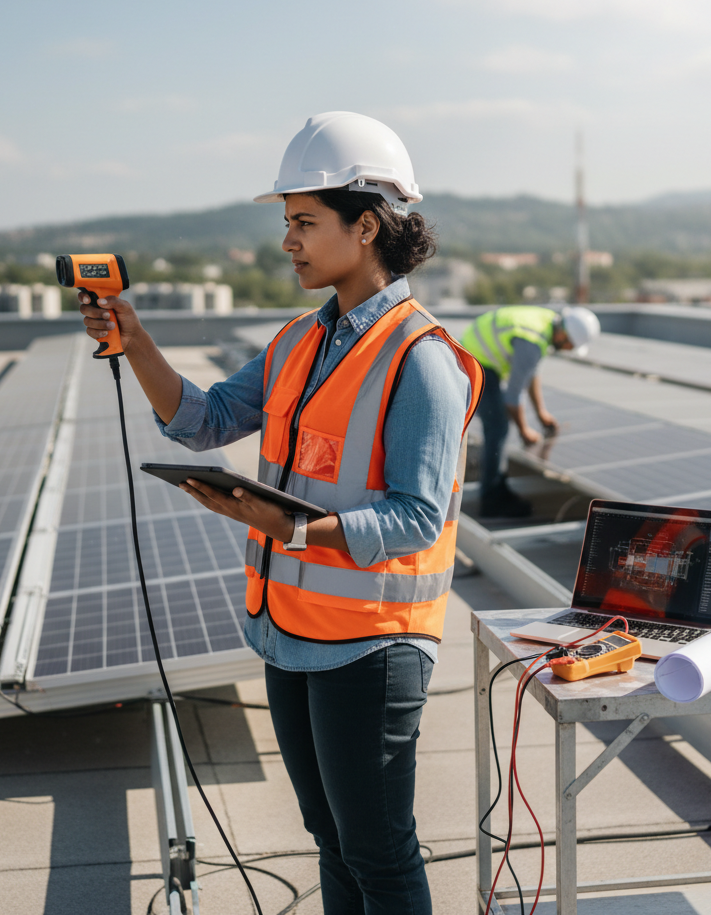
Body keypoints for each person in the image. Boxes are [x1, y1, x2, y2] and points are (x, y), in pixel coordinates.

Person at [78, 111, 482, 914]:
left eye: (304, 222)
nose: (288, 241)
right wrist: (136, 341)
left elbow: (414, 519)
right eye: (288, 223)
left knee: (378, 849)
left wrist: (291, 527)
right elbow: (205, 419)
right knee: (330, 836)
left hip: (371, 645)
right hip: (289, 631)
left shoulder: (423, 361)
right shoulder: (300, 339)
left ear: (365, 227)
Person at [460, 304, 600, 517]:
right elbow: (513, 397)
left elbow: (531, 373)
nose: (569, 349)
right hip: (474, 359)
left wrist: (541, 413)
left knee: (499, 424)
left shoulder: (546, 323)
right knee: (498, 426)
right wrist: (524, 430)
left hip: (475, 350)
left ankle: (497, 486)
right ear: (564, 334)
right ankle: (491, 499)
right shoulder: (533, 342)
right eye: (570, 345)